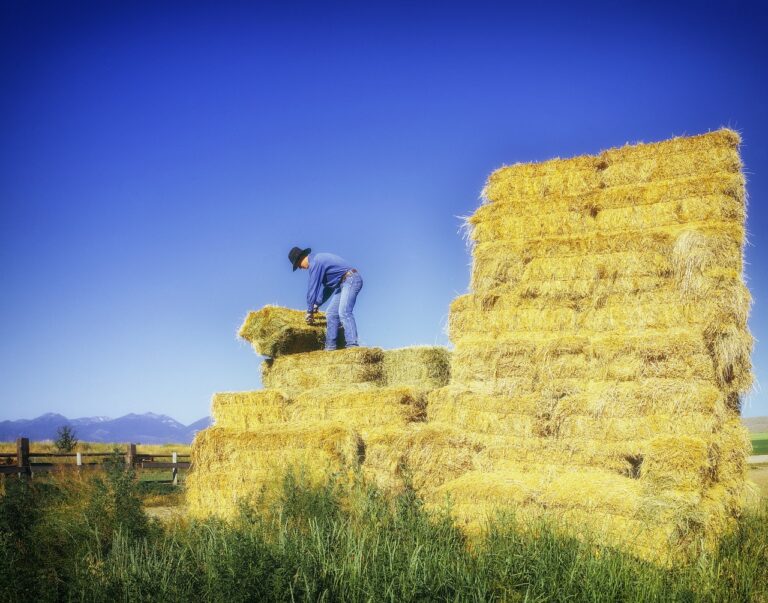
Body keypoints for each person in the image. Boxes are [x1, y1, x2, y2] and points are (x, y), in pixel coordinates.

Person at [288, 246, 363, 351]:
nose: (300, 268)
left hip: (351, 279)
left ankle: (352, 346)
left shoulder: (315, 262)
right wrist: (317, 304)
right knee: (331, 314)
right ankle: (330, 348)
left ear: (302, 258)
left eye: (298, 265)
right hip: (342, 284)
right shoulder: (318, 262)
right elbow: (328, 288)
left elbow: (313, 287)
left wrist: (309, 311)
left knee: (344, 312)